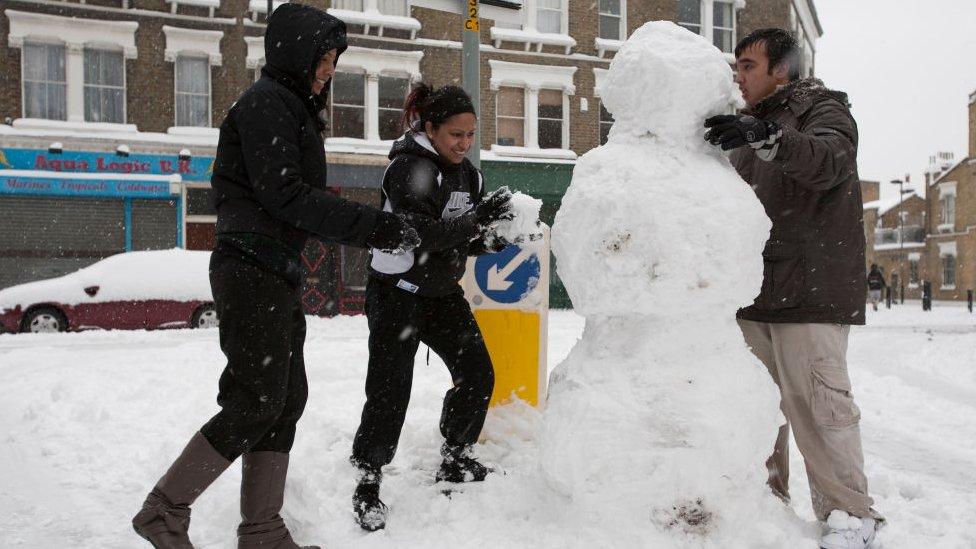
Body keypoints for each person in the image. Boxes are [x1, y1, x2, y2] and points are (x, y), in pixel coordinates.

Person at [131, 5, 419, 548]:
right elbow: (285, 195)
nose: (330, 69)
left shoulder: (293, 108)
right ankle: (164, 509)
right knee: (256, 397)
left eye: (334, 59)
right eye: (326, 57)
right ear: (299, 53)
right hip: (249, 266)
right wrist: (376, 228)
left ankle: (261, 528)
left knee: (285, 397)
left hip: (273, 269)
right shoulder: (266, 104)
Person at [703, 28, 884, 549]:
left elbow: (830, 162)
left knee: (818, 408)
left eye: (747, 66)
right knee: (757, 410)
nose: (737, 76)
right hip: (756, 294)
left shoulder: (821, 109)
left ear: (782, 69)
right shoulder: (747, 130)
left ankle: (851, 515)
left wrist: (765, 137)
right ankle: (766, 507)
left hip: (810, 290)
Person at [348, 83, 513, 532]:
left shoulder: (469, 176)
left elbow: (459, 238)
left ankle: (456, 455)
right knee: (389, 391)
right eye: (456, 134)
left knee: (478, 374)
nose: (464, 143)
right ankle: (368, 479)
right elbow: (417, 232)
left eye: (471, 135)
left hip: (441, 295)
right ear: (431, 128)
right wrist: (473, 223)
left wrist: (488, 239)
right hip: (396, 294)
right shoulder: (409, 169)